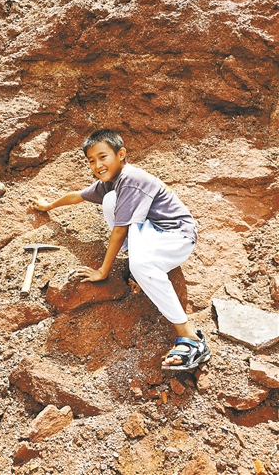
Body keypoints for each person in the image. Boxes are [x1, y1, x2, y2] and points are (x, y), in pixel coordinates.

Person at [31, 128, 210, 370]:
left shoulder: (131, 179)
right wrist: (48, 205)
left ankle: (192, 338)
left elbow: (118, 230)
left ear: (121, 154)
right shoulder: (111, 182)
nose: (97, 165)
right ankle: (140, 263)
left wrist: (102, 271)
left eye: (103, 157)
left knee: (139, 263)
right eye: (91, 161)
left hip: (176, 237)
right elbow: (78, 196)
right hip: (155, 232)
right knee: (110, 201)